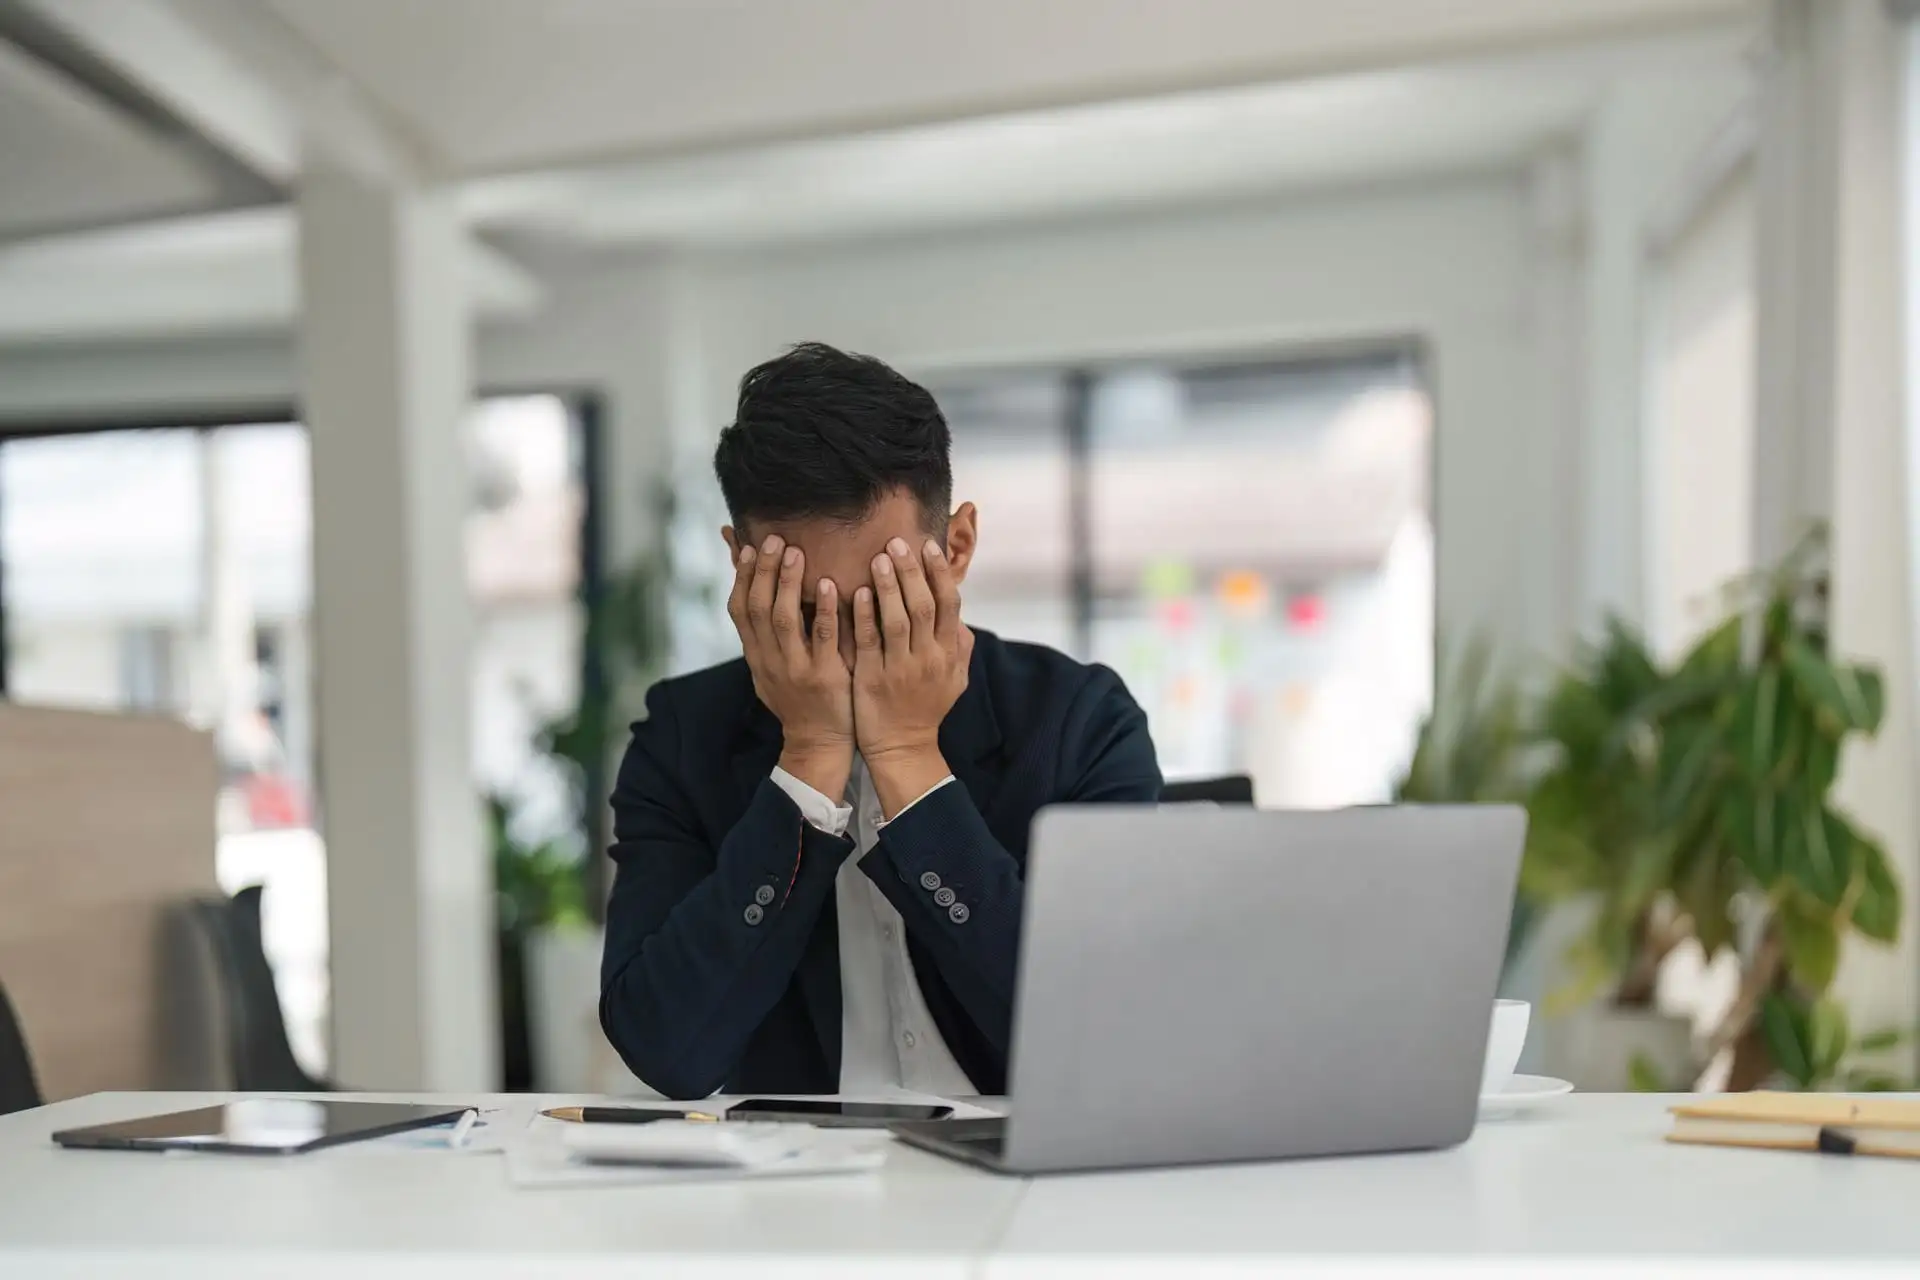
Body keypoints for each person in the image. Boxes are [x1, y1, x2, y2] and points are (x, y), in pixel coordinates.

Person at [600, 342, 1161, 1100]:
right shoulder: (682, 737)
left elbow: (1102, 1039)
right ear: (740, 565)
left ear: (955, 548)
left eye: (877, 605)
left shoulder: (1080, 723)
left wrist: (907, 757)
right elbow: (667, 1051)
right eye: (806, 614)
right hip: (791, 1192)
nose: (841, 649)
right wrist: (808, 758)